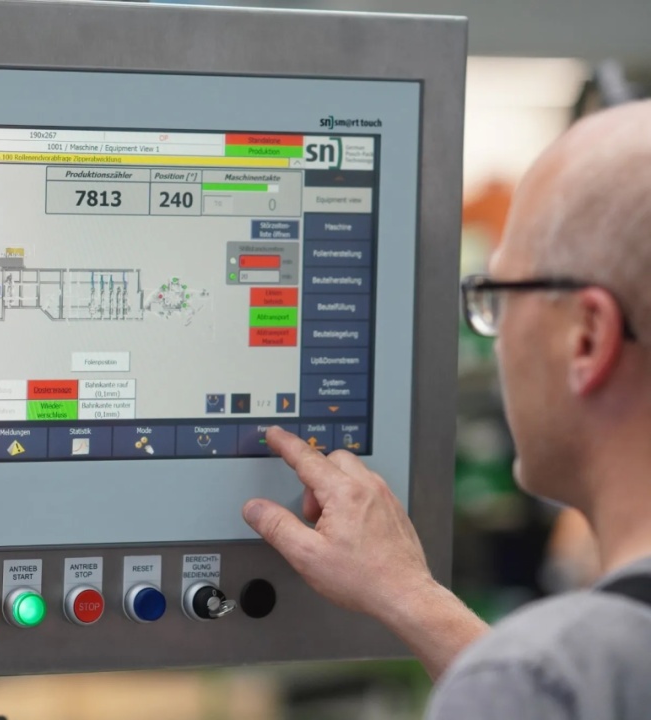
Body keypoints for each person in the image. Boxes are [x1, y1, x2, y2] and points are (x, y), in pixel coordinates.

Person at [243, 99, 651, 718]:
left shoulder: (550, 681)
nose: (496, 335)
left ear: (587, 338)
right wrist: (410, 595)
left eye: (499, 294)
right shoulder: (565, 678)